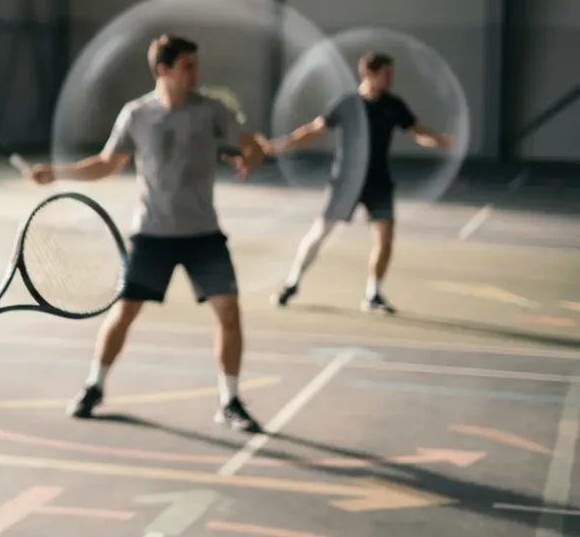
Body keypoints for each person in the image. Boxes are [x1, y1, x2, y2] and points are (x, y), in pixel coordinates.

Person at [23, 34, 267, 433]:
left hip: (203, 233)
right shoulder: (136, 115)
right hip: (152, 234)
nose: (196, 73)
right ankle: (94, 386)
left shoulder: (213, 111)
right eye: (188, 66)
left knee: (229, 312)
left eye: (196, 65)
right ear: (163, 70)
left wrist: (250, 158)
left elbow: (251, 146)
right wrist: (56, 173)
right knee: (124, 313)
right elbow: (106, 163)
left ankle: (230, 401)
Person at [264, 51, 452, 314]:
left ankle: (372, 295)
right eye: (385, 73)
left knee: (385, 238)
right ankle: (291, 283)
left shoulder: (393, 104)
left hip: (378, 182)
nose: (390, 79)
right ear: (368, 74)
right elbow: (314, 130)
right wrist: (280, 146)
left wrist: (438, 140)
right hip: (345, 182)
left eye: (391, 73)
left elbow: (417, 132)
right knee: (320, 232)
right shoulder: (347, 104)